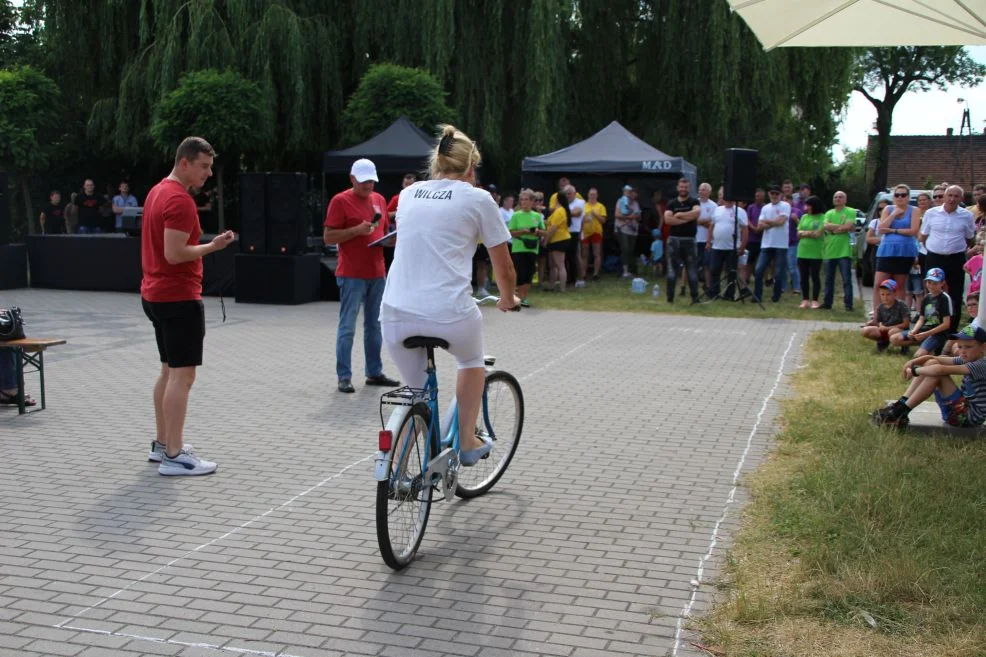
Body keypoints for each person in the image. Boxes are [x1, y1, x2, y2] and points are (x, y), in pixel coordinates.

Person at [381, 124, 519, 466]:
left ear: (436, 163)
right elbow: (503, 268)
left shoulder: (411, 193)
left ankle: (397, 467)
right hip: (449, 313)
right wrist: (508, 298)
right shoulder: (478, 198)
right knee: (471, 361)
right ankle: (468, 441)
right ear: (471, 167)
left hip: (395, 313)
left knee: (415, 394)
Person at [141, 136, 236, 476]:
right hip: (177, 296)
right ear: (184, 163)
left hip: (155, 294)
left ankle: (163, 444)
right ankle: (174, 455)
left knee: (168, 371)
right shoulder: (179, 200)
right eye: (204, 166)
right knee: (183, 376)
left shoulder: (156, 191)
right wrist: (213, 246)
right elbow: (175, 253)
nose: (208, 173)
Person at [323, 159, 399, 394]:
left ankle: (374, 372)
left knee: (375, 326)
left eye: (371, 181)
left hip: (376, 272)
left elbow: (383, 232)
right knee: (348, 326)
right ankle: (344, 376)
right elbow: (328, 237)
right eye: (364, 180)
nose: (368, 185)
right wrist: (356, 230)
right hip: (352, 274)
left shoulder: (379, 200)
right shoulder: (340, 200)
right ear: (352, 178)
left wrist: (391, 240)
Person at [871, 323, 986, 431]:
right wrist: (915, 361)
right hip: (958, 410)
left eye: (968, 347)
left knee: (937, 374)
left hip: (968, 419)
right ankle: (901, 404)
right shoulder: (969, 357)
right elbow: (939, 358)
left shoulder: (982, 364)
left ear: (983, 347)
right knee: (931, 364)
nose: (962, 351)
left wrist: (915, 370)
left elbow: (940, 370)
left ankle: (900, 413)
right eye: (960, 347)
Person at [920, 185, 974, 332]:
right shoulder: (931, 213)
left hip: (955, 258)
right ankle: (930, 327)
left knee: (955, 294)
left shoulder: (967, 215)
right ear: (944, 196)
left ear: (961, 199)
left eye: (956, 196)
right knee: (932, 292)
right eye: (949, 195)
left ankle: (951, 329)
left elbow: (969, 238)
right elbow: (923, 236)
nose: (952, 199)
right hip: (934, 257)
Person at [889, 268, 953, 358]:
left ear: (942, 283)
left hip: (937, 334)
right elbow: (921, 318)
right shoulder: (927, 298)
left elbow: (946, 324)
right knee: (894, 339)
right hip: (923, 330)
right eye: (929, 282)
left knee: (918, 356)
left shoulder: (945, 298)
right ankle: (923, 344)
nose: (931, 286)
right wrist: (914, 330)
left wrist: (926, 334)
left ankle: (933, 347)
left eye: (935, 283)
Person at [874, 184, 920, 303]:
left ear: (908, 197)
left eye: (903, 195)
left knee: (899, 285)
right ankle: (877, 316)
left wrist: (893, 230)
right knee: (879, 283)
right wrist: (894, 214)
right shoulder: (888, 209)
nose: (900, 197)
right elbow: (881, 228)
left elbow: (913, 231)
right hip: (886, 250)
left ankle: (898, 315)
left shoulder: (914, 210)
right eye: (897, 195)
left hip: (905, 251)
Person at [664, 178, 701, 303]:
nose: (683, 189)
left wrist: (679, 215)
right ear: (677, 188)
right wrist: (687, 218)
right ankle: (670, 299)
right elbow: (667, 220)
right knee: (672, 271)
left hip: (689, 240)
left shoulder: (694, 201)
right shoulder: (671, 203)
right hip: (674, 240)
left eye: (685, 187)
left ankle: (695, 298)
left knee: (691, 270)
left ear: (689, 188)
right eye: (681, 187)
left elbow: (697, 213)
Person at [753, 185, 790, 304]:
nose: (774, 196)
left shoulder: (785, 205)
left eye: (777, 194)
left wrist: (767, 222)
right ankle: (757, 296)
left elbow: (781, 222)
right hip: (766, 244)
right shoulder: (765, 208)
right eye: (772, 193)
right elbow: (759, 226)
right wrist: (773, 222)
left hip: (781, 244)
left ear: (781, 195)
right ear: (769, 194)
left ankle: (776, 295)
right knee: (758, 270)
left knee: (778, 273)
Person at [507, 189, 545, 307]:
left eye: (526, 199)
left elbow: (544, 232)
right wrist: (523, 231)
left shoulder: (537, 216)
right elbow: (510, 232)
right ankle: (518, 297)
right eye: (522, 199)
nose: (524, 202)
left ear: (532, 201)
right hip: (519, 248)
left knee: (529, 273)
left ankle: (523, 297)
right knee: (520, 273)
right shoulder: (516, 215)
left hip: (532, 248)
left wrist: (538, 231)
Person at [706, 195, 748, 299]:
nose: (728, 201)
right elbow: (712, 225)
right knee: (714, 270)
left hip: (732, 248)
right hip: (717, 246)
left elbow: (745, 229)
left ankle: (729, 294)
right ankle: (714, 292)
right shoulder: (717, 210)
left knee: (731, 272)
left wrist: (743, 246)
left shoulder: (740, 211)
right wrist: (708, 241)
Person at [821, 190, 856, 311]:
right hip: (830, 250)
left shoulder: (850, 211)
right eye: (835, 197)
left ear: (845, 200)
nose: (838, 199)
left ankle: (848, 304)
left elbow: (849, 226)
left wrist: (834, 228)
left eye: (840, 197)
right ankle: (827, 303)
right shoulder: (829, 213)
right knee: (828, 279)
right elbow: (825, 225)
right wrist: (841, 228)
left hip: (844, 251)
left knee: (846, 279)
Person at [861, 279, 910, 352]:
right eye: (882, 294)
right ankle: (883, 342)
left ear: (895, 293)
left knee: (892, 331)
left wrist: (888, 328)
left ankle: (904, 345)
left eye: (888, 294)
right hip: (885, 329)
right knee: (866, 330)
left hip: (898, 330)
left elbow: (905, 324)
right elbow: (880, 321)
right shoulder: (880, 307)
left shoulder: (902, 305)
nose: (885, 297)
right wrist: (881, 326)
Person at [796, 195, 826, 308]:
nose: (806, 207)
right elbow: (798, 233)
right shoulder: (804, 217)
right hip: (802, 251)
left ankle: (815, 300)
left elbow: (818, 234)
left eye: (808, 205)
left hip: (816, 252)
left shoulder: (823, 218)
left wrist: (805, 233)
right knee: (803, 276)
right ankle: (805, 299)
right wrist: (809, 233)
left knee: (815, 276)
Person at [545, 187, 572, 292]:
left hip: (559, 240)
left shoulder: (559, 211)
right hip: (556, 240)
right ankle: (551, 286)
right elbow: (550, 223)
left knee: (560, 265)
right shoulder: (560, 211)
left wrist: (546, 239)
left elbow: (553, 228)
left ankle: (562, 288)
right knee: (552, 265)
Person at [615, 184, 641, 278]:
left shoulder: (636, 204)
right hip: (622, 228)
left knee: (630, 250)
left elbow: (639, 217)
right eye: (632, 193)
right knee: (625, 248)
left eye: (635, 193)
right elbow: (617, 214)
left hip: (633, 230)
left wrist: (636, 216)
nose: (634, 195)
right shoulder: (621, 201)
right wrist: (629, 217)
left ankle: (629, 271)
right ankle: (624, 271)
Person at [581, 187, 607, 281]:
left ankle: (596, 274)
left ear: (597, 196)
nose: (592, 196)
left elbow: (603, 221)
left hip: (596, 232)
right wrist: (586, 219)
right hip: (585, 232)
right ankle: (583, 274)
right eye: (591, 194)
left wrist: (596, 214)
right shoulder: (583, 205)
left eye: (594, 194)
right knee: (584, 254)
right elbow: (580, 219)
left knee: (596, 253)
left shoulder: (601, 206)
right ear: (588, 195)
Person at [696, 182, 716, 295]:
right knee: (694, 264)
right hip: (695, 239)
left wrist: (700, 221)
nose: (700, 192)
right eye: (699, 190)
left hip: (708, 240)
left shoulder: (713, 206)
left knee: (707, 264)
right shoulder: (694, 203)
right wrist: (706, 221)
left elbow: (712, 224)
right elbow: (692, 220)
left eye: (703, 190)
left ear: (709, 192)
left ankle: (708, 287)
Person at [564, 185, 586, 287]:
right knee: (566, 257)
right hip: (564, 232)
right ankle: (568, 278)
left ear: (574, 193)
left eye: (569, 193)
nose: (568, 196)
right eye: (566, 194)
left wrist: (562, 212)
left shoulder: (580, 202)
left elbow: (576, 213)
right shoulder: (564, 203)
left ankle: (578, 278)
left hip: (575, 231)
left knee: (575, 256)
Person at [742, 188, 765, 284]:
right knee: (749, 260)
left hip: (762, 239)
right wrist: (753, 228)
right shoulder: (751, 207)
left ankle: (763, 278)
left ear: (763, 197)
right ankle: (747, 277)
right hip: (751, 239)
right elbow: (747, 220)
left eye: (759, 196)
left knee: (762, 261)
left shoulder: (765, 207)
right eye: (756, 196)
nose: (757, 198)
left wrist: (760, 228)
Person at [783, 192, 802, 295]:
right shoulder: (780, 212)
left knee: (792, 266)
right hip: (781, 243)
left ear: (791, 201)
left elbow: (802, 227)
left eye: (786, 200)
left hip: (792, 243)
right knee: (783, 267)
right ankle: (783, 286)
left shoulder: (797, 212)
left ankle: (796, 287)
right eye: (783, 200)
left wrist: (796, 220)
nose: (785, 203)